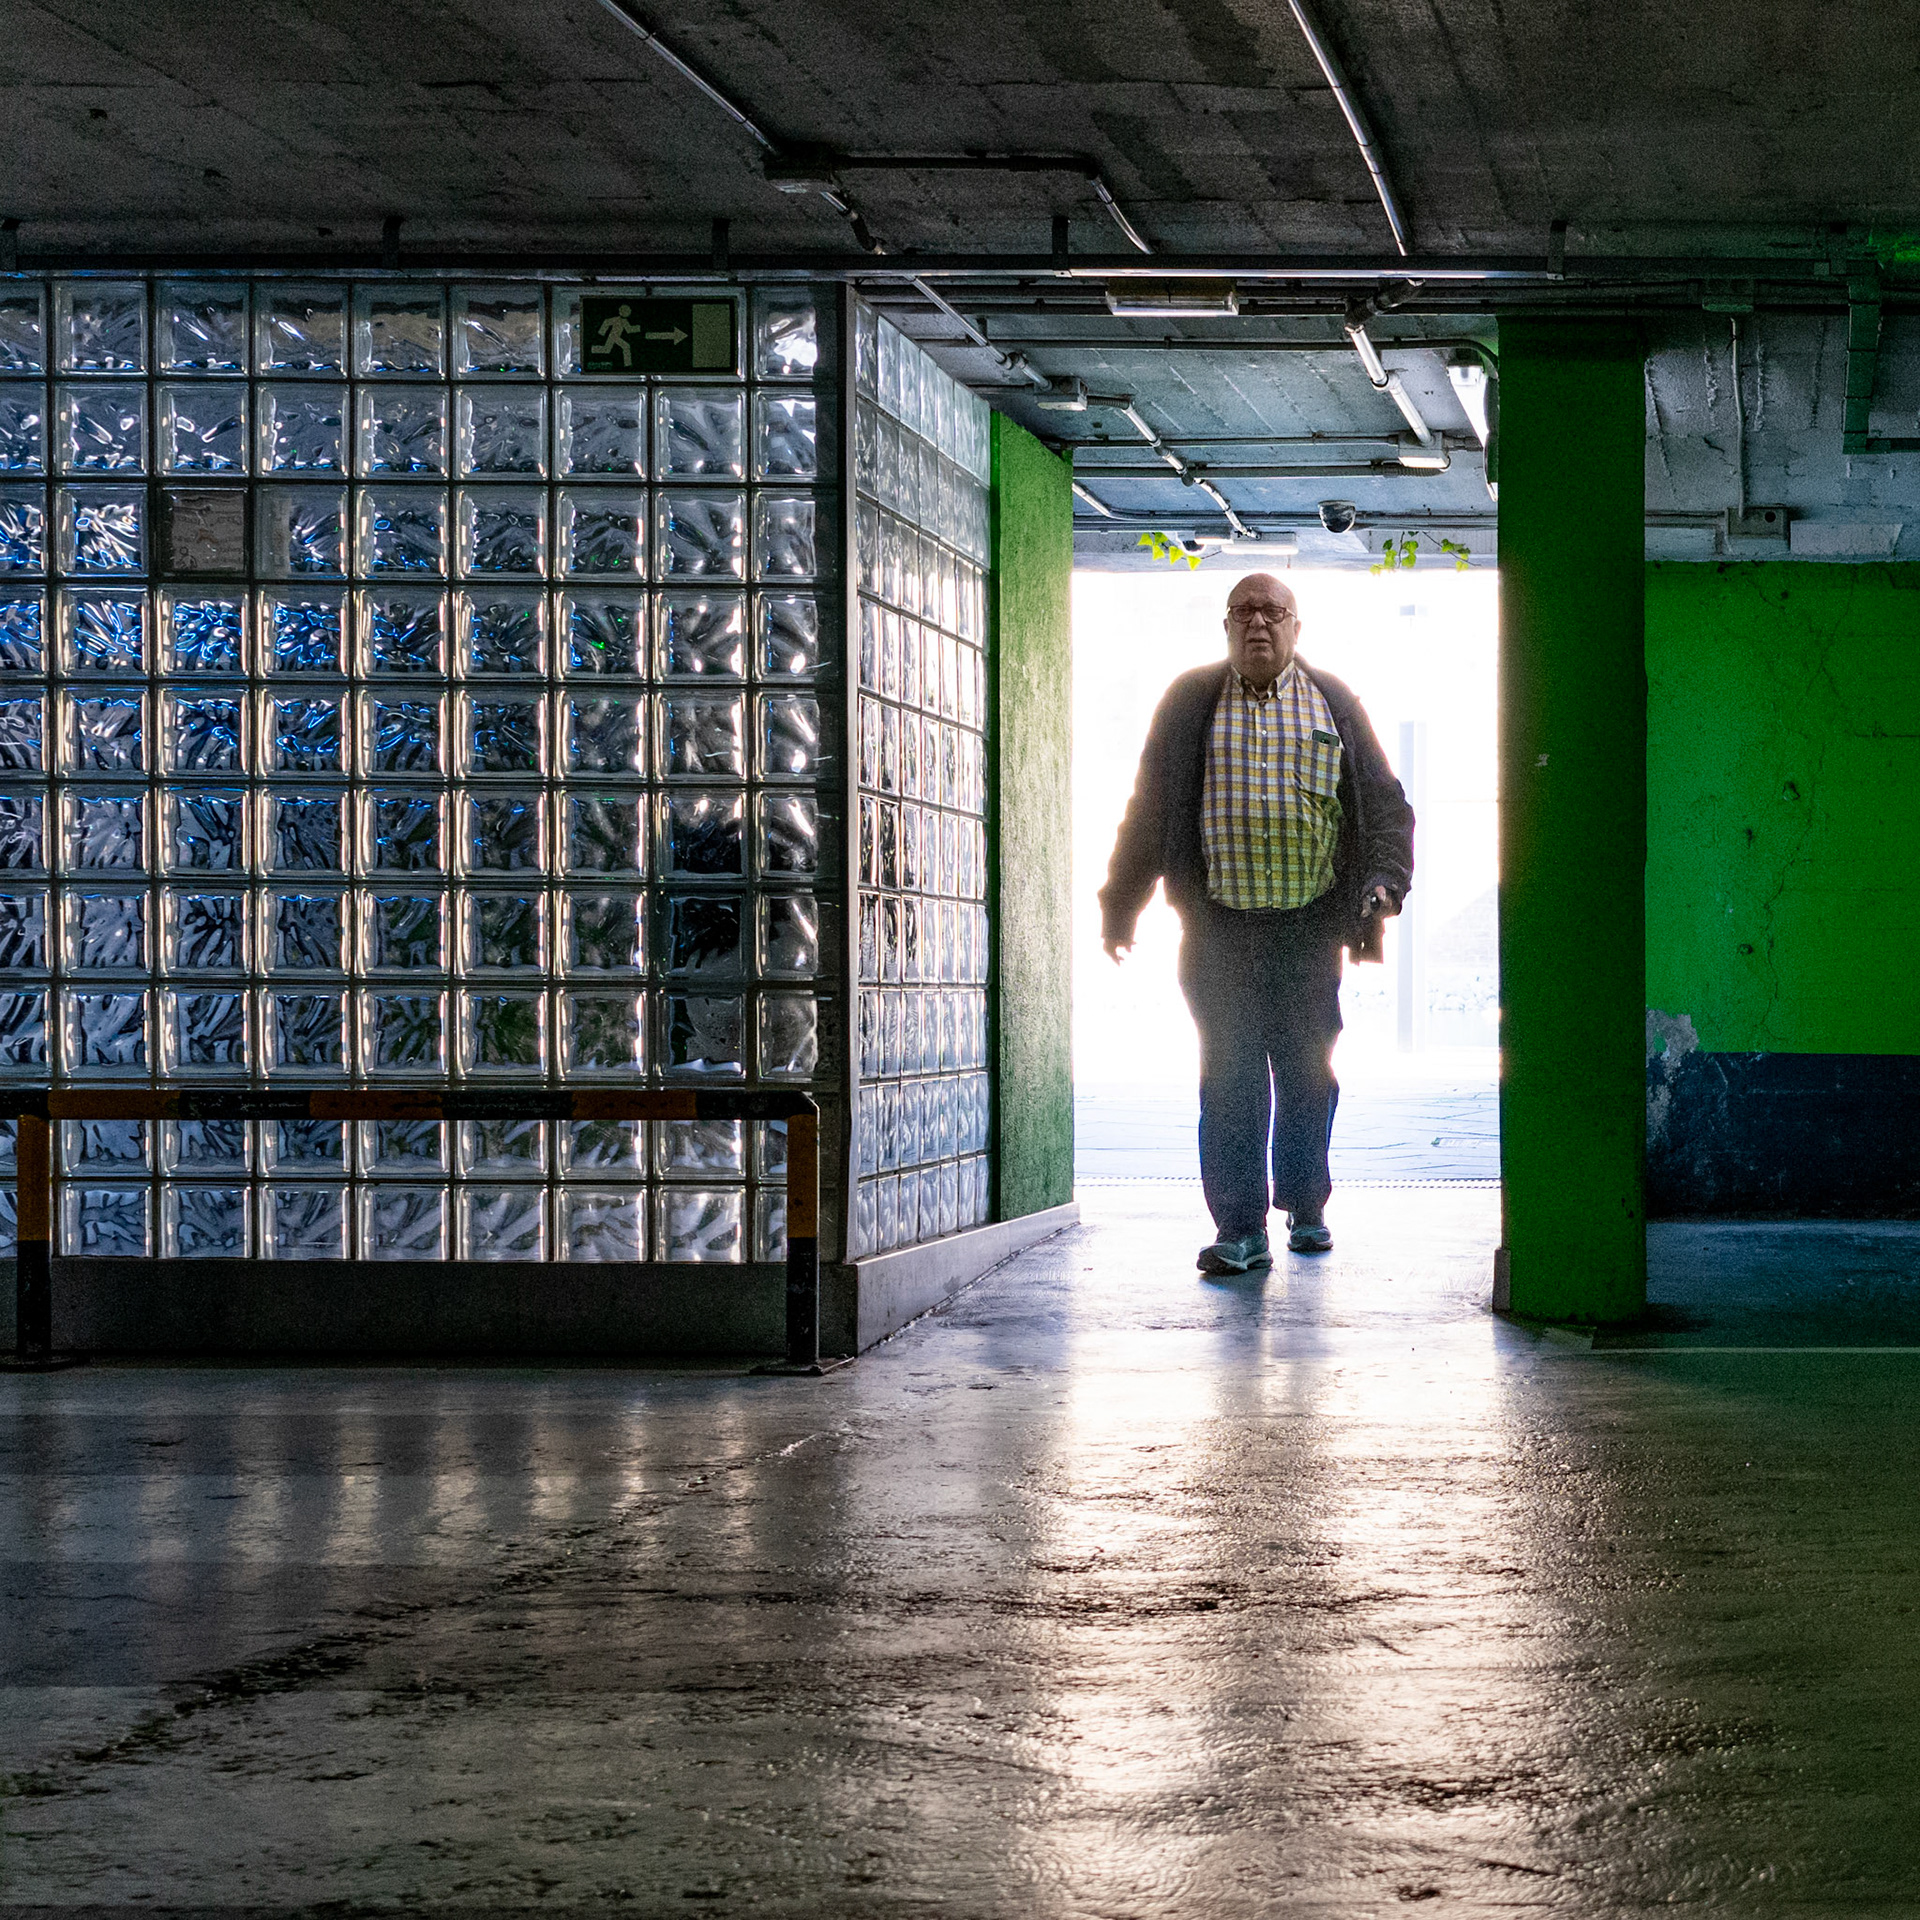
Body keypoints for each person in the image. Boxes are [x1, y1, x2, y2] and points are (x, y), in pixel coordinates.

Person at [1099, 573, 1414, 1274]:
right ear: (1227, 628)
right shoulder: (1190, 702)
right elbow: (1149, 809)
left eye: (1273, 612)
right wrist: (1121, 903)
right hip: (1219, 934)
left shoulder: (1332, 702)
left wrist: (1385, 882)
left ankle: (1306, 1204)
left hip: (1309, 930)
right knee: (1231, 1078)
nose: (1258, 624)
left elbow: (1385, 808)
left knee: (1307, 1073)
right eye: (1243, 612)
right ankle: (1240, 1227)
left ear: (1297, 628)